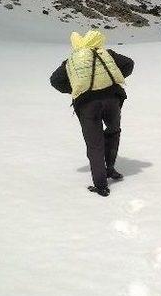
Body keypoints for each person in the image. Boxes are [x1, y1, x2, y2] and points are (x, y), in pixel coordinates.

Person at [50, 30, 134, 197]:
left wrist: (77, 88)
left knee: (94, 144)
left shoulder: (70, 61)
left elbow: (55, 80)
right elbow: (129, 64)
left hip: (87, 104)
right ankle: (110, 169)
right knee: (113, 132)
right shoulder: (107, 53)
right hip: (112, 99)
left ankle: (101, 185)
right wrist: (110, 80)